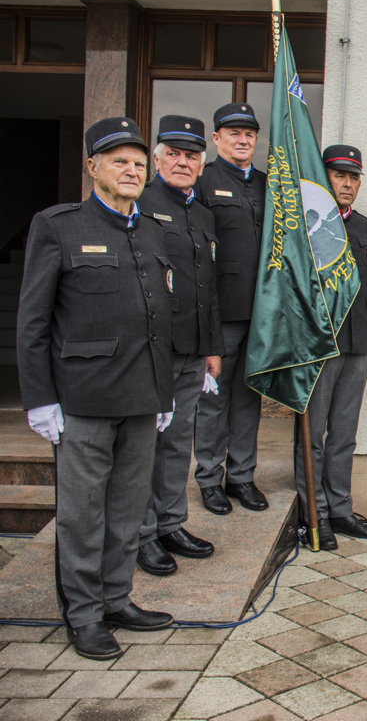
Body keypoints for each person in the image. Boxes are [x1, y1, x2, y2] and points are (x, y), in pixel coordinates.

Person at [18, 118, 176, 659]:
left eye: (138, 163)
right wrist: (39, 398)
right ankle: (83, 616)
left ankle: (116, 599)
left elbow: (160, 320)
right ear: (92, 168)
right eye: (119, 162)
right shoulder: (59, 226)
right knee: (83, 515)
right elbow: (33, 321)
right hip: (82, 400)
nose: (132, 171)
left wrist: (164, 395)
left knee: (128, 511)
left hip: (140, 400)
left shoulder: (153, 229)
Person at [135, 116, 224, 576]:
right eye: (173, 153)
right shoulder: (141, 204)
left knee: (176, 443)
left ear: (202, 162)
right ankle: (143, 533)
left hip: (194, 350)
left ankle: (170, 522)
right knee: (144, 446)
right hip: (155, 351)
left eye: (191, 155)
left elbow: (206, 287)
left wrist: (212, 348)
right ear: (157, 158)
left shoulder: (202, 213)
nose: (183, 162)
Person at [293, 145, 367, 550]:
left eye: (353, 177)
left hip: (356, 342)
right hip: (319, 343)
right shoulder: (304, 222)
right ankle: (314, 512)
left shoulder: (364, 226)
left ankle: (341, 508)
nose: (347, 184)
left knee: (344, 433)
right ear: (324, 177)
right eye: (339, 175)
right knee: (313, 434)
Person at [194, 103, 269, 514]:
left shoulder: (267, 183)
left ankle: (241, 476)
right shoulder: (204, 182)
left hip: (261, 313)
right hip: (221, 313)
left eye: (250, 134)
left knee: (248, 398)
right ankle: (209, 478)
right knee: (213, 399)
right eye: (234, 133)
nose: (242, 140)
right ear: (217, 138)